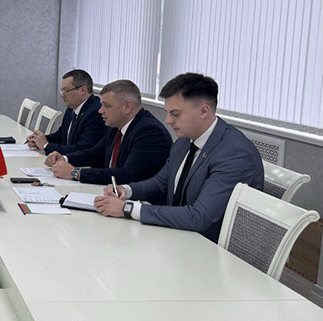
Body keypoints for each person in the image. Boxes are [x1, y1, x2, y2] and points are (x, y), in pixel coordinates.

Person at [94, 73, 264, 242]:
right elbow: (160, 183)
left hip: (208, 246)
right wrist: (126, 190)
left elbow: (199, 217)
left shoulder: (234, 153)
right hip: (177, 235)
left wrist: (128, 209)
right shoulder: (184, 140)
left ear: (203, 111)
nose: (168, 121)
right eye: (167, 113)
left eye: (175, 114)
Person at [44, 79, 172, 185]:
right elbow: (94, 154)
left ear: (128, 106)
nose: (100, 111)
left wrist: (75, 173)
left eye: (107, 106)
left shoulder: (150, 132)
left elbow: (127, 175)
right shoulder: (116, 125)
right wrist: (65, 158)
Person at [26, 69, 107, 154]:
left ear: (83, 90)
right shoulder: (72, 107)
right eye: (62, 91)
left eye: (66, 91)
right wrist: (38, 140)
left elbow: (82, 149)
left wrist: (46, 146)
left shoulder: (96, 113)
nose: (62, 95)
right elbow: (61, 135)